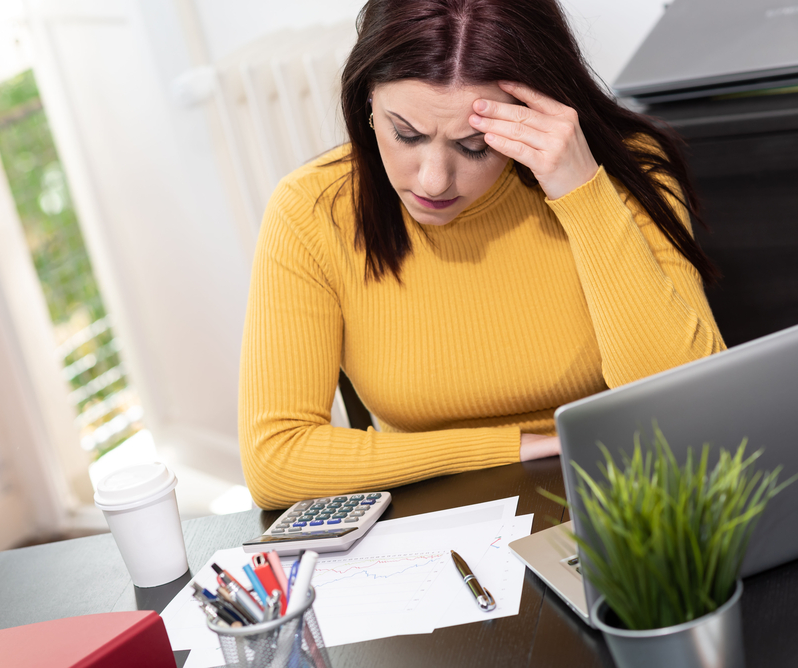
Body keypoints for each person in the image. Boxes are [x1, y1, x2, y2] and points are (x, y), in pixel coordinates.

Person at [238, 0, 725, 509]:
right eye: (405, 133)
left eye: (475, 146)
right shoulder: (314, 209)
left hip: (622, 500)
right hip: (429, 523)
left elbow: (689, 409)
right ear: (366, 103)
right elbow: (276, 459)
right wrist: (507, 448)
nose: (432, 179)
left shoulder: (624, 177)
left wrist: (583, 194)